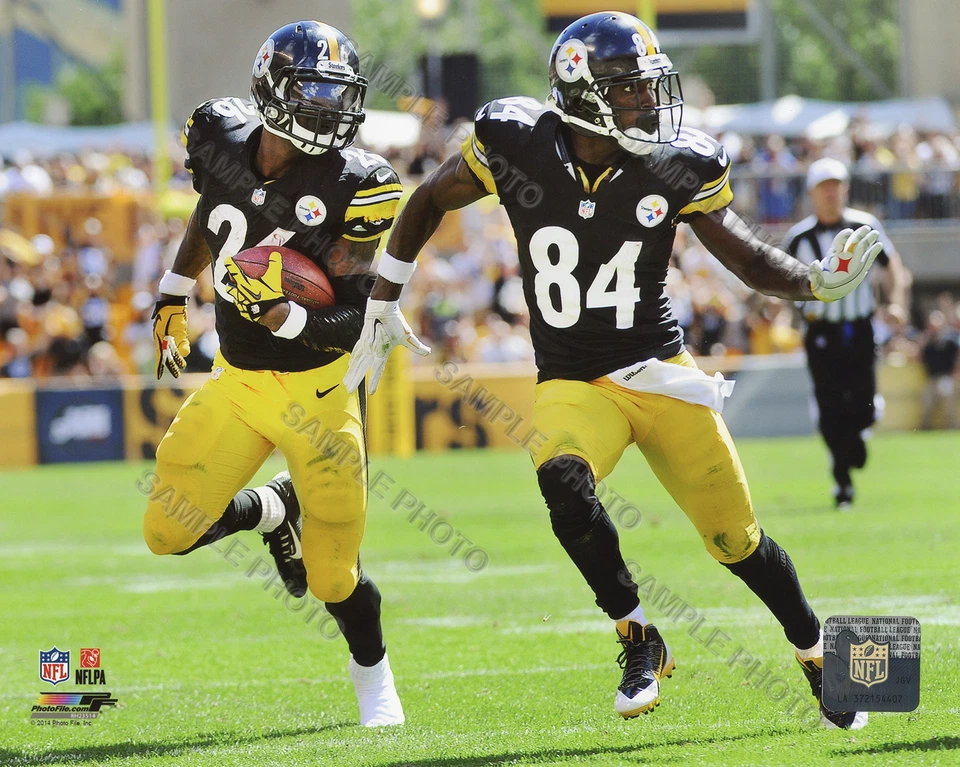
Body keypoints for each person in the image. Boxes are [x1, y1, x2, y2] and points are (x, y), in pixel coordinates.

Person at [344, 12, 883, 730]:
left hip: (658, 371)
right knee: (561, 480)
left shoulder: (676, 163)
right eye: (630, 90)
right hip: (572, 378)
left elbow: (748, 256)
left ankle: (818, 653)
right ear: (583, 93)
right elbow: (428, 199)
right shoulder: (515, 142)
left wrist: (813, 282)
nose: (648, 103)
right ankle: (637, 633)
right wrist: (384, 295)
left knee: (737, 542)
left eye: (647, 88)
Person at [142, 21, 404, 727]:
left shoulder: (360, 181)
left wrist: (285, 317)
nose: (328, 108)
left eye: (337, 94)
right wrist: (173, 288)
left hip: (321, 387)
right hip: (237, 379)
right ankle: (271, 508)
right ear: (271, 89)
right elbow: (211, 213)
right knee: (167, 530)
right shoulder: (218, 139)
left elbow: (361, 315)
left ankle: (373, 677)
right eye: (313, 92)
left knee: (331, 575)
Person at [784, 158, 907, 508]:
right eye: (824, 187)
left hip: (859, 328)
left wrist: (895, 303)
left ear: (846, 188)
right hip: (821, 332)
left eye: (836, 185)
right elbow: (783, 284)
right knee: (830, 407)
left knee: (865, 404)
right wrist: (785, 313)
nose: (831, 193)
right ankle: (842, 483)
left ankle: (855, 441)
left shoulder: (865, 226)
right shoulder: (799, 238)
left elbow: (893, 266)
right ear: (811, 193)